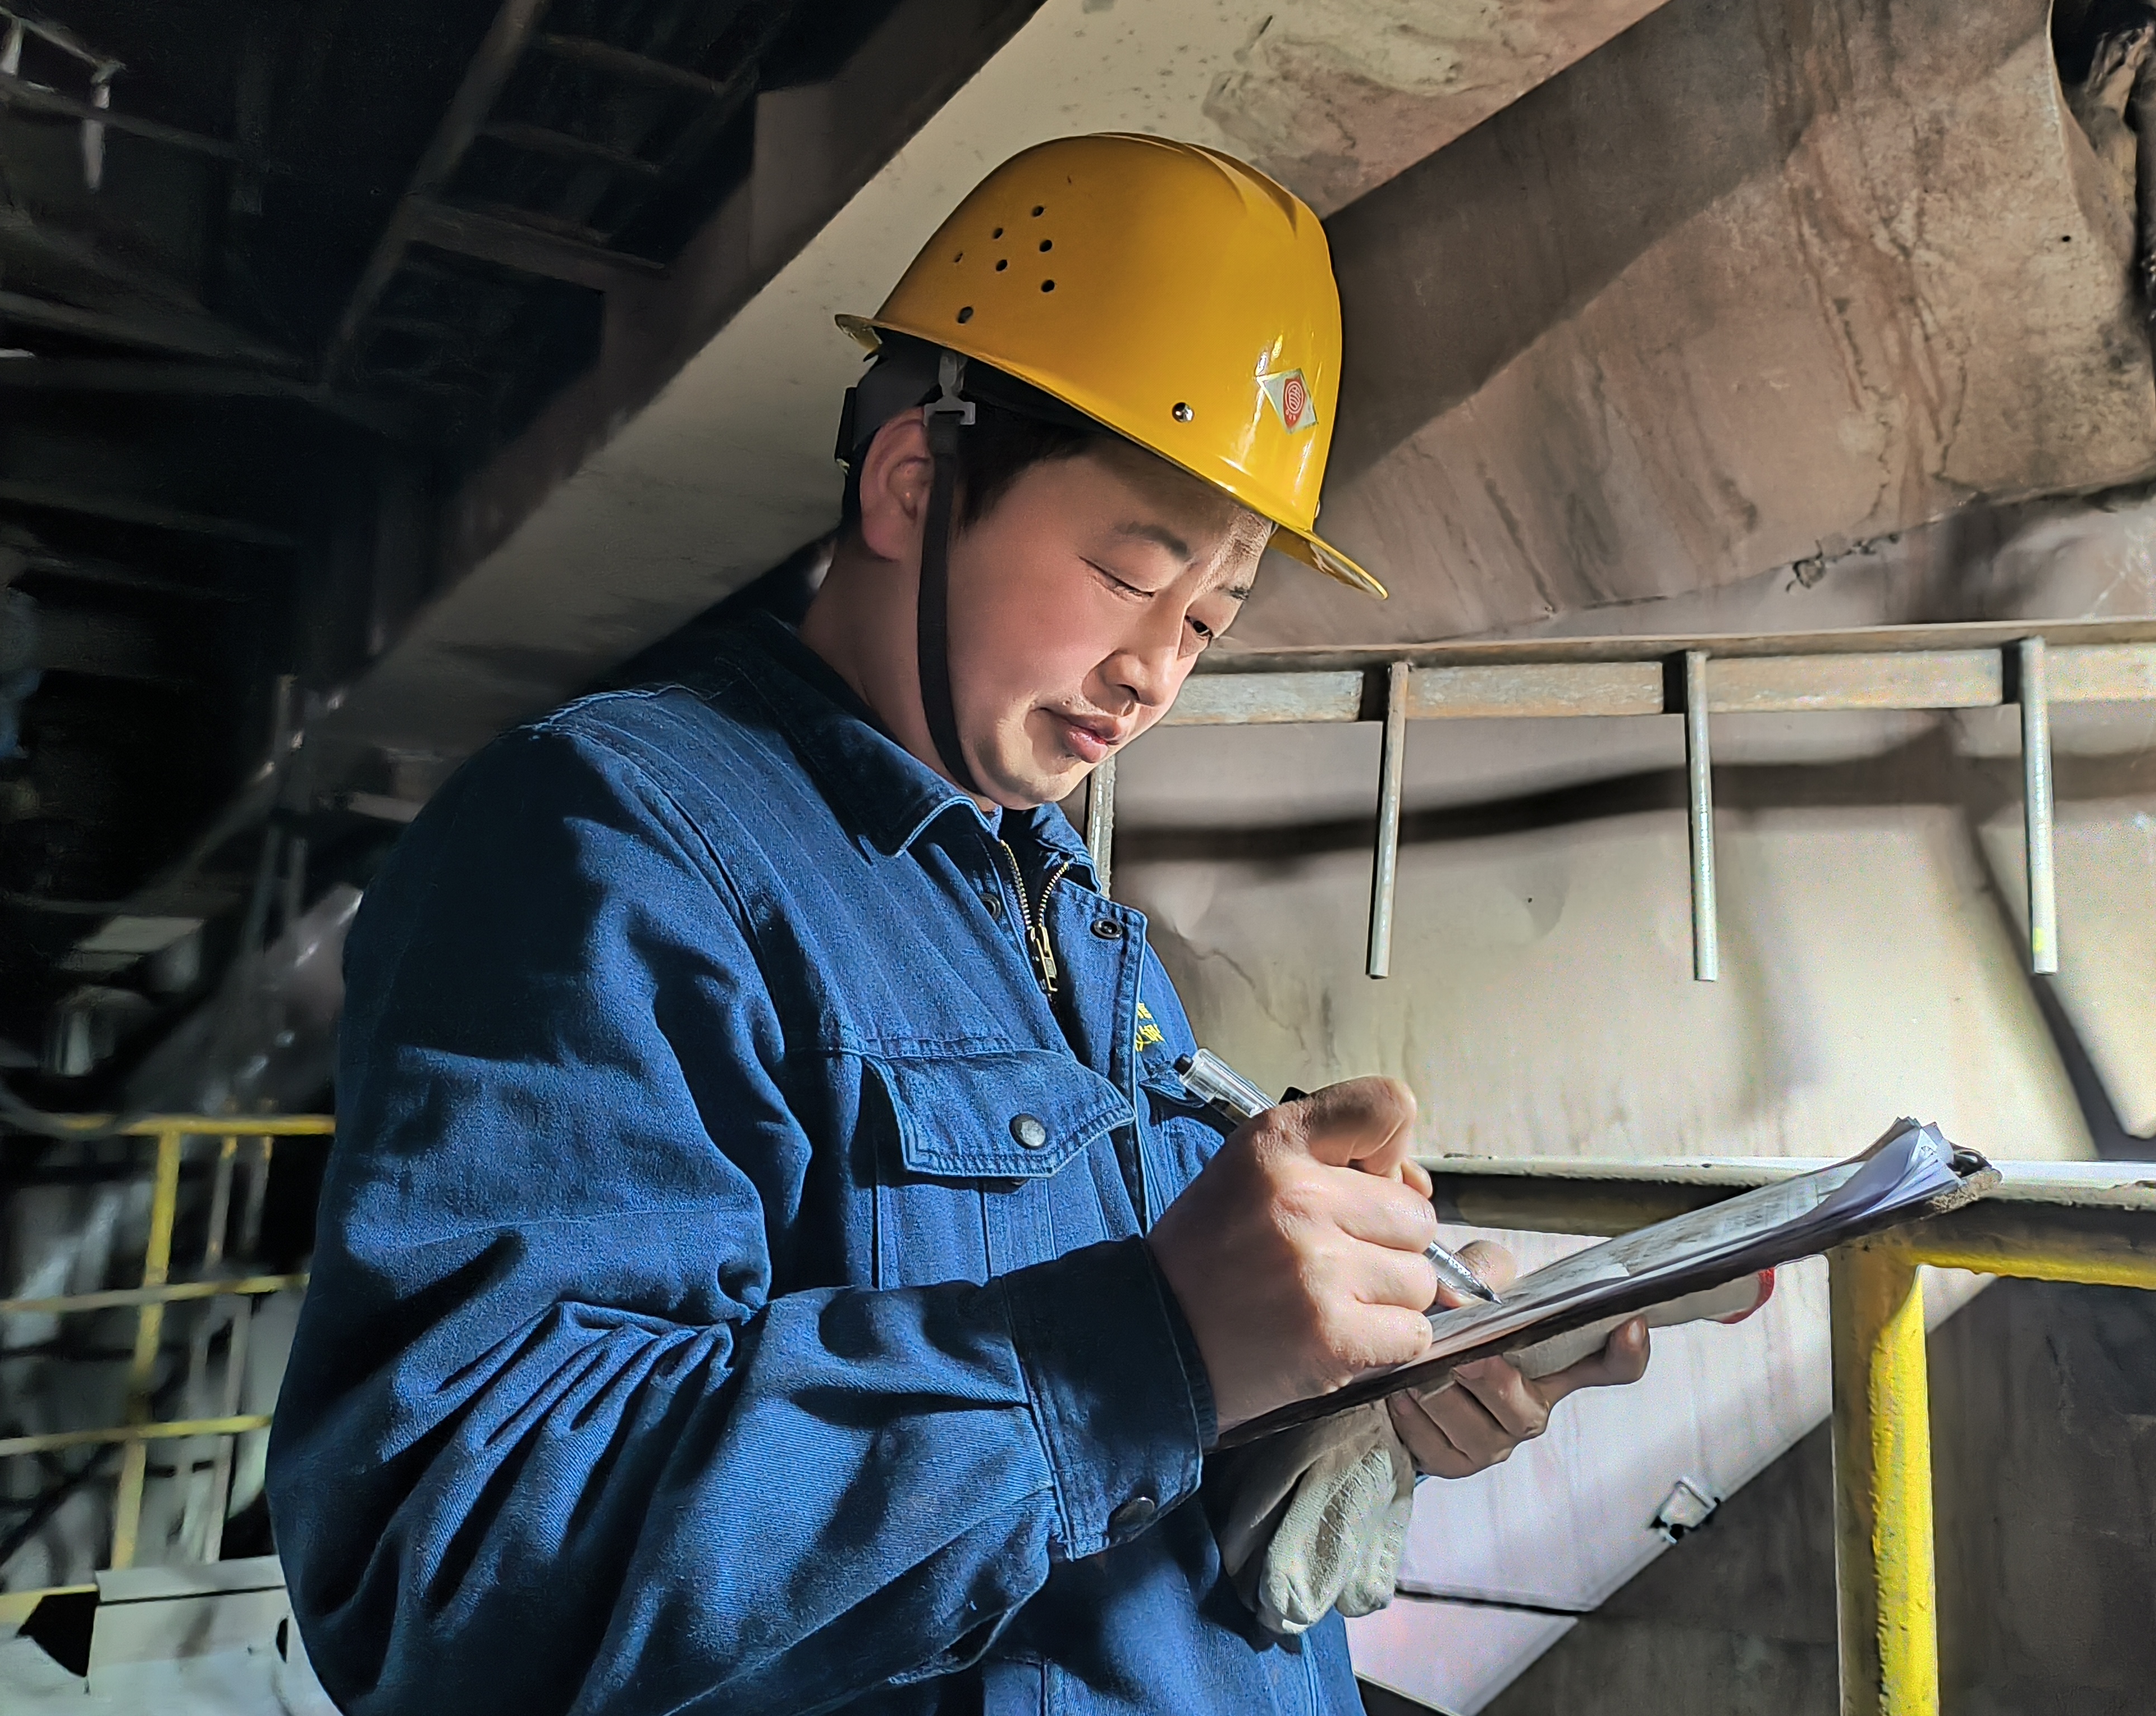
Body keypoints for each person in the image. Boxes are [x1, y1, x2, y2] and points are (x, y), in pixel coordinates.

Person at [270, 132, 1647, 1716]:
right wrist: (1137, 1346)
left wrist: (1343, 1395)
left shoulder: (1078, 929)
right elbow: (462, 1567)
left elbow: (1106, 1491)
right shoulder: (611, 845)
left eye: (1211, 615)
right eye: (1133, 570)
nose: (1156, 671)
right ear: (914, 480)